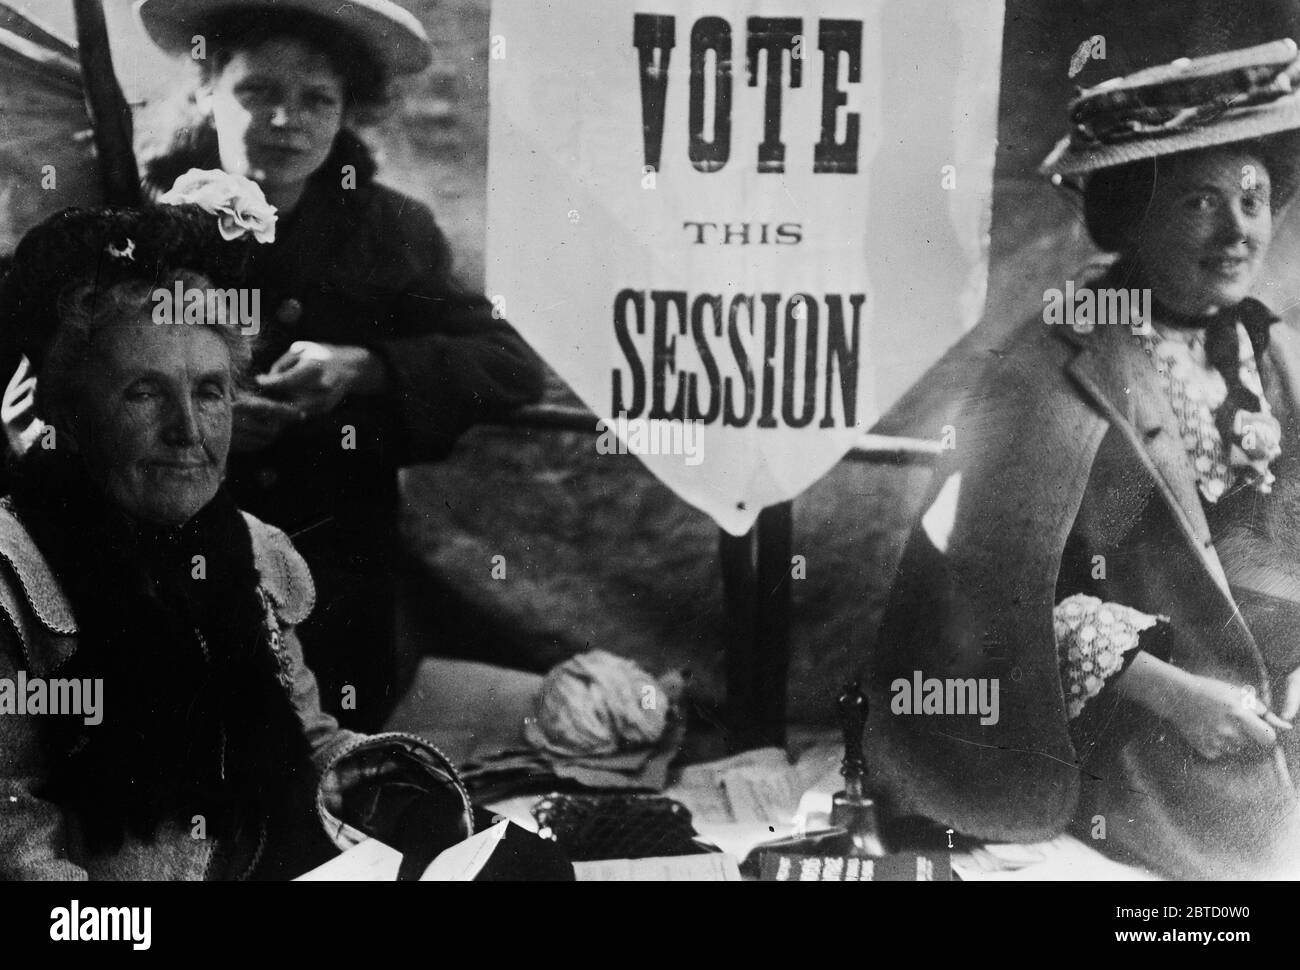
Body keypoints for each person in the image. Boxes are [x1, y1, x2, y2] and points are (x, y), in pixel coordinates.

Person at [868, 40, 1300, 878]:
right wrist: (1171, 692)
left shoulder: (1268, 351)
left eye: (1252, 199)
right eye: (1199, 202)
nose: (1236, 231)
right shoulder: (1049, 365)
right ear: (1132, 215)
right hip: (1121, 734)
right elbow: (983, 597)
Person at [0, 184, 474, 880]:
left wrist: (389, 791)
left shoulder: (250, 551)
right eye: (143, 392)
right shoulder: (14, 580)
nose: (188, 431)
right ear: (69, 413)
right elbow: (15, 838)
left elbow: (303, 736)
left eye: (209, 392)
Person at [133, 0, 545, 730]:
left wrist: (366, 366)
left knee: (337, 759)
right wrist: (192, 413)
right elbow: (56, 387)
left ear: (346, 109)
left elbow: (508, 366)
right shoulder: (138, 216)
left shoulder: (390, 229)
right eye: (257, 91)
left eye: (317, 99)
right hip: (169, 559)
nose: (285, 120)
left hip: (336, 572)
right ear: (208, 88)